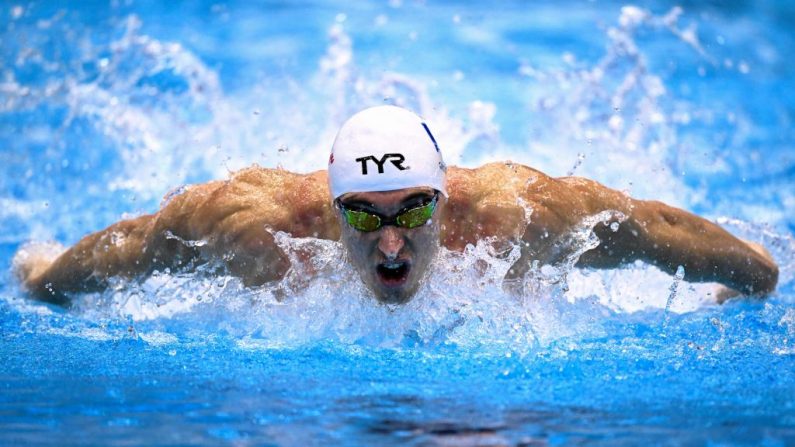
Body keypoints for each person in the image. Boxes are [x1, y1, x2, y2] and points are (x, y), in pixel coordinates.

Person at [13, 106, 779, 306]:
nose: (390, 243)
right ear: (328, 205)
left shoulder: (515, 213)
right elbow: (139, 242)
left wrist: (754, 277)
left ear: (446, 202)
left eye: (413, 212)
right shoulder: (252, 225)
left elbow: (650, 227)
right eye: (365, 215)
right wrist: (47, 279)